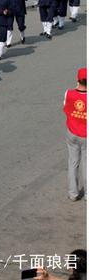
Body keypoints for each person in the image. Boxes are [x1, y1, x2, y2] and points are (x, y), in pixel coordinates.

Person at [63, 67, 86, 202]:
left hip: (72, 132)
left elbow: (65, 108)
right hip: (86, 135)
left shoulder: (69, 93)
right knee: (86, 164)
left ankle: (73, 193)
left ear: (78, 79)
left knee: (73, 162)